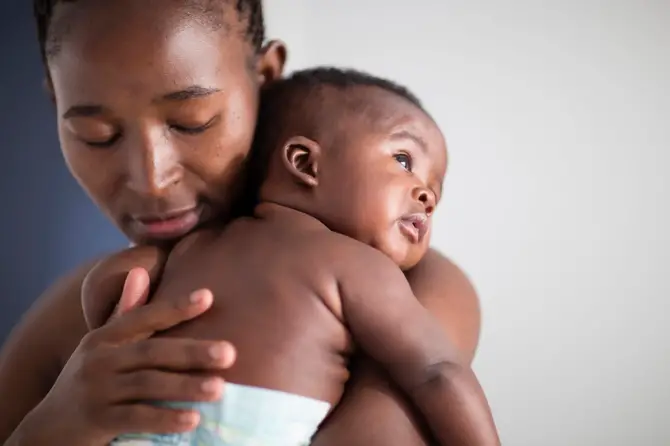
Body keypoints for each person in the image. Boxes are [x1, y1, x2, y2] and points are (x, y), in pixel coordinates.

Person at [0, 1, 484, 445]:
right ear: (55, 105)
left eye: (193, 121)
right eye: (96, 135)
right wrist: (51, 427)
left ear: (266, 76)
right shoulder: (72, 311)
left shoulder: (414, 285)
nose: (151, 179)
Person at [82, 67, 500, 446]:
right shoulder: (356, 266)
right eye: (404, 160)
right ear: (305, 164)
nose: (427, 196)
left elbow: (109, 282)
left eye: (435, 191)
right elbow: (438, 371)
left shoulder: (198, 245)